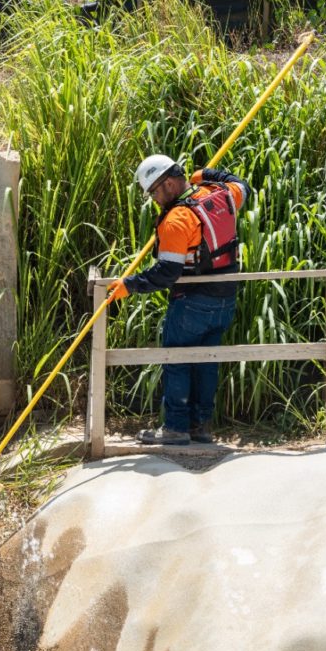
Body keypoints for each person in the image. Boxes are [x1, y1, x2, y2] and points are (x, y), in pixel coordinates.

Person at [106, 154, 251, 446]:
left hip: (192, 303)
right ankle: (201, 426)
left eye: (154, 192)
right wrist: (205, 174)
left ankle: (175, 427)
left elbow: (166, 273)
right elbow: (241, 185)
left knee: (177, 361)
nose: (153, 200)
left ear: (170, 184)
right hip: (226, 299)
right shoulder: (221, 196)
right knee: (207, 362)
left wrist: (128, 286)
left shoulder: (177, 220)